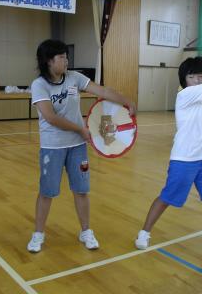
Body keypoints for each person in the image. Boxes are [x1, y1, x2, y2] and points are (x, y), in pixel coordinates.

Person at [27, 39, 136, 253]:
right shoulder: (39, 84)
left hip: (77, 147)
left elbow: (102, 91)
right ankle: (38, 233)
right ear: (49, 61)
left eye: (66, 56)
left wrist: (125, 100)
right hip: (53, 147)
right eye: (61, 57)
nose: (66, 60)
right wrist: (79, 129)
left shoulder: (74, 78)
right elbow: (50, 117)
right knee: (47, 192)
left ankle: (86, 231)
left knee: (81, 190)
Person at [134, 40, 202, 251]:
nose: (196, 80)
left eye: (200, 76)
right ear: (184, 80)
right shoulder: (185, 95)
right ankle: (144, 232)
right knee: (167, 197)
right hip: (184, 159)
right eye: (191, 76)